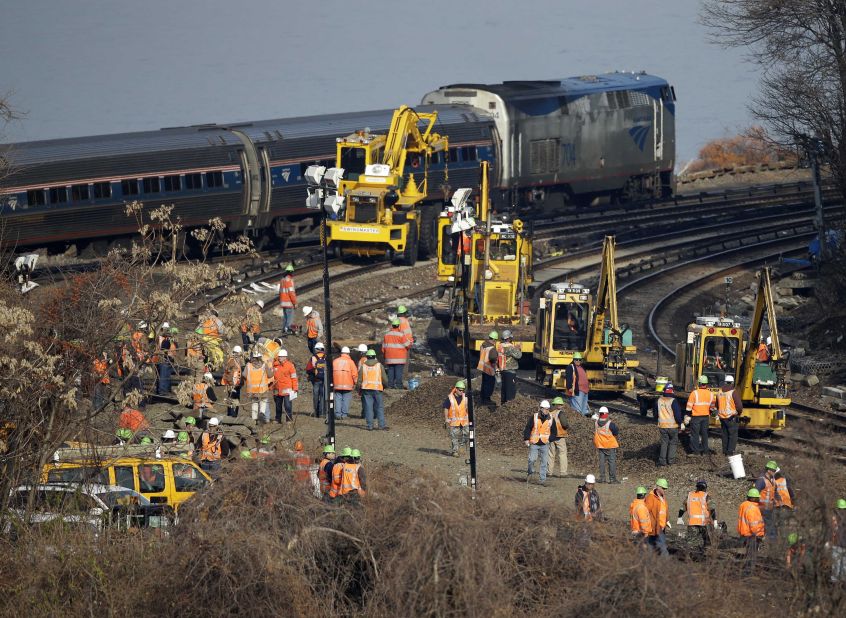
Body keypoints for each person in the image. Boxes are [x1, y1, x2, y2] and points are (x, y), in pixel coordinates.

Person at [523, 400, 557, 487]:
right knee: (532, 460)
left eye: (548, 409)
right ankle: (530, 473)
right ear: (541, 409)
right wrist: (526, 439)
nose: (547, 411)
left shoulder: (551, 418)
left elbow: (554, 432)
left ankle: (542, 480)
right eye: (545, 409)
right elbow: (528, 428)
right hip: (534, 442)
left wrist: (550, 439)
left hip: (545, 443)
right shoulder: (534, 417)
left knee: (544, 462)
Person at [677, 480, 717, 553]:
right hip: (705, 524)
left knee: (691, 542)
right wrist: (715, 520)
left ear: (697, 487)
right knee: (708, 542)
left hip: (692, 523)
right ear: (705, 488)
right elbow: (712, 509)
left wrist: (679, 517)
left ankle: (688, 557)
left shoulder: (690, 495)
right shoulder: (706, 496)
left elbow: (682, 508)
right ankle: (706, 557)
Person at [357, 349, 388, 430]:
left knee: (368, 408)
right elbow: (385, 379)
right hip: (377, 389)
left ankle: (370, 426)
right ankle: (381, 425)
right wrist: (384, 386)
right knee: (379, 407)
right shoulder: (379, 365)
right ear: (375, 357)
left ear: (367, 357)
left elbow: (359, 380)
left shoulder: (363, 366)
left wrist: (358, 389)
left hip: (366, 390)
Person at [685, 375, 716, 455]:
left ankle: (696, 452)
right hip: (706, 417)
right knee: (704, 434)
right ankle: (705, 451)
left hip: (696, 417)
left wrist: (687, 415)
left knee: (695, 434)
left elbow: (689, 407)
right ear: (706, 384)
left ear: (699, 383)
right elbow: (712, 407)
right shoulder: (711, 394)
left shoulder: (694, 393)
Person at [738, 487, 765, 574]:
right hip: (752, 536)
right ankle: (748, 573)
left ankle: (747, 571)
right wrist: (760, 535)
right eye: (757, 497)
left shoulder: (743, 505)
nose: (759, 499)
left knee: (748, 554)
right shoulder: (753, 508)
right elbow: (754, 525)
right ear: (753, 498)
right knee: (751, 555)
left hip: (744, 534)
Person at [656, 382, 684, 466]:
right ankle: (671, 461)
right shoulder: (673, 401)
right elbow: (677, 414)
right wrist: (681, 423)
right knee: (673, 442)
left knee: (664, 443)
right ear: (672, 391)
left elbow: (655, 412)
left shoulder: (659, 400)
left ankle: (662, 461)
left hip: (662, 426)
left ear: (664, 390)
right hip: (672, 426)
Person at [244, 349, 273, 425]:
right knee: (263, 402)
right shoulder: (264, 365)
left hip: (252, 390)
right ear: (260, 357)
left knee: (254, 403)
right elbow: (270, 375)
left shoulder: (248, 365)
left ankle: (254, 419)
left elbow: (244, 375)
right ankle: (262, 414)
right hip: (262, 389)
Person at [754, 460, 782, 539]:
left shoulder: (772, 479)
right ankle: (772, 544)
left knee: (767, 526)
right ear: (769, 470)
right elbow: (755, 493)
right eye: (773, 471)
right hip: (762, 508)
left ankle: (763, 541)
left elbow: (775, 491)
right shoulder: (761, 480)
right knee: (770, 527)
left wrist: (779, 500)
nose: (774, 473)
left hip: (769, 508)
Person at [443, 380, 470, 457]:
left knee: (467, 434)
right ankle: (455, 451)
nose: (462, 392)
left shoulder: (465, 397)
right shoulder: (450, 398)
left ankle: (461, 446)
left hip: (464, 421)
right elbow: (446, 408)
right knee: (454, 436)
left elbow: (468, 407)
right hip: (454, 422)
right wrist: (446, 419)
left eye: (463, 390)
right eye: (460, 390)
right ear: (456, 389)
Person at [644, 478, 670, 556]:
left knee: (651, 544)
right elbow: (646, 512)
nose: (664, 490)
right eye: (663, 488)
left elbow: (665, 510)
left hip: (661, 526)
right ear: (658, 487)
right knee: (661, 545)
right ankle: (666, 562)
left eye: (665, 488)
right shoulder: (651, 497)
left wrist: (667, 520)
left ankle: (649, 561)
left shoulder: (662, 497)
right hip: (654, 526)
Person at [593, 407, 620, 484]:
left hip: (600, 445)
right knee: (611, 462)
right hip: (610, 445)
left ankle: (602, 478)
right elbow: (616, 432)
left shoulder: (596, 423)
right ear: (606, 414)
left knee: (602, 462)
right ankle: (612, 479)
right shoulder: (610, 424)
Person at [382, 319, 410, 389]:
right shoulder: (401, 335)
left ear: (392, 325)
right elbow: (407, 345)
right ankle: (398, 385)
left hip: (389, 357)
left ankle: (390, 385)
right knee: (398, 371)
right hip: (399, 357)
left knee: (391, 371)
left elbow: (383, 348)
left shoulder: (386, 335)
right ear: (398, 326)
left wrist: (386, 354)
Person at [272, 349, 298, 423]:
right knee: (278, 406)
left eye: (280, 356)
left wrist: (295, 388)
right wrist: (272, 387)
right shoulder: (275, 365)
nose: (279, 357)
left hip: (287, 389)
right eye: (279, 356)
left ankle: (289, 419)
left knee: (288, 406)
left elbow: (294, 377)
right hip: (277, 389)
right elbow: (272, 377)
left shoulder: (290, 365)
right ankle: (277, 419)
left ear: (285, 357)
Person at [332, 346, 358, 419]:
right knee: (346, 399)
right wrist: (356, 383)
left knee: (338, 399)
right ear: (348, 354)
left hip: (337, 384)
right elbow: (354, 374)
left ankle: (337, 414)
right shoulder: (351, 362)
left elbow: (331, 373)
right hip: (348, 384)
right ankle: (344, 415)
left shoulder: (335, 361)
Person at [547, 396, 569, 478]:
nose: (561, 406)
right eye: (560, 404)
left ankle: (549, 472)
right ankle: (563, 472)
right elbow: (564, 424)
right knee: (562, 454)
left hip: (550, 437)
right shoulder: (560, 413)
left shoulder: (548, 413)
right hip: (560, 436)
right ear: (557, 405)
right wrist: (567, 427)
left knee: (550, 455)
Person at [477, 331, 500, 407]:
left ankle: (483, 398)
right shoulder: (492, 349)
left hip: (483, 368)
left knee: (484, 384)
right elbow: (493, 359)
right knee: (489, 385)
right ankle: (487, 399)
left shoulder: (483, 345)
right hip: (489, 370)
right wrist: (496, 368)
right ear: (494, 340)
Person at [499, 329, 522, 403]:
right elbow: (519, 356)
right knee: (510, 390)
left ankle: (503, 403)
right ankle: (509, 404)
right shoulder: (510, 347)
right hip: (510, 371)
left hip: (503, 369)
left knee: (504, 389)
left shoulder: (500, 346)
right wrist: (518, 348)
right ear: (508, 338)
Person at [306, 342, 327, 418]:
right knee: (323, 396)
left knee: (315, 396)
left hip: (316, 380)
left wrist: (312, 376)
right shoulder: (326, 357)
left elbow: (308, 369)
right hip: (324, 380)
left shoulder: (313, 358)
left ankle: (316, 412)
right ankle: (322, 413)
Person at [564, 352, 590, 417]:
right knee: (577, 409)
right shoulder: (571, 367)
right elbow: (569, 377)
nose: (578, 361)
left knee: (583, 409)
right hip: (577, 390)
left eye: (579, 359)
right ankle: (576, 421)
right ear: (573, 359)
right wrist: (569, 387)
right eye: (576, 359)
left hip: (585, 390)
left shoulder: (581, 367)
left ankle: (582, 421)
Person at [221, 346, 243, 417]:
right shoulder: (232, 361)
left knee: (235, 400)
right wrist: (231, 384)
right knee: (232, 400)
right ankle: (231, 415)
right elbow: (229, 374)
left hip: (236, 384)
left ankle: (233, 414)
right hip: (232, 385)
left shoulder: (237, 361)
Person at [155, 326, 177, 395]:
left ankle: (164, 390)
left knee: (164, 375)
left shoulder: (161, 339)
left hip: (164, 359)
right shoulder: (167, 340)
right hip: (165, 360)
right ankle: (163, 391)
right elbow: (164, 350)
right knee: (164, 376)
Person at [830, 498, 846, 582]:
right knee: (844, 567)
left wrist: (832, 543)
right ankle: (842, 585)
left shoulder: (835, 518)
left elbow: (833, 532)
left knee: (836, 566)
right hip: (843, 545)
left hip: (837, 545)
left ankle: (835, 584)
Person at [279, 264, 297, 335]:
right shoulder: (289, 280)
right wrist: (295, 302)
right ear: (291, 272)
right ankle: (287, 330)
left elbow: (280, 292)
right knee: (289, 317)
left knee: (285, 317)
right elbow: (291, 293)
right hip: (289, 303)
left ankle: (284, 329)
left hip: (283, 302)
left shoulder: (282, 280)